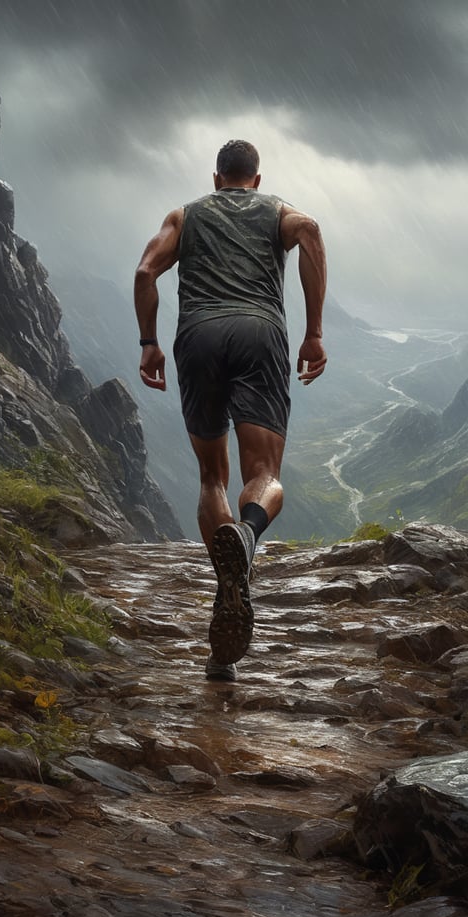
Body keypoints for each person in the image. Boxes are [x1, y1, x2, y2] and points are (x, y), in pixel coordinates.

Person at [134, 139, 327, 681]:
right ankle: (246, 535)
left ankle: (228, 589)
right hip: (258, 333)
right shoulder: (278, 211)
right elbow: (310, 232)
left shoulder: (184, 216)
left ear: (216, 178)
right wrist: (313, 333)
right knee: (264, 473)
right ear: (256, 179)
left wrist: (148, 343)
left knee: (211, 476)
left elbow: (145, 273)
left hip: (197, 336)